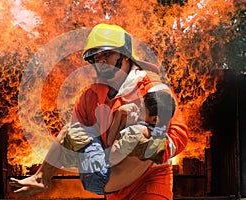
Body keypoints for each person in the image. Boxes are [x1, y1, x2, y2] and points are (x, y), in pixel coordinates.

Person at [10, 23, 188, 199]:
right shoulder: (89, 98)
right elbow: (74, 141)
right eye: (95, 57)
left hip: (150, 184)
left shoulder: (153, 90)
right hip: (113, 186)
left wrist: (148, 146)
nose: (101, 60)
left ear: (125, 55)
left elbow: (178, 135)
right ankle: (40, 179)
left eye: (107, 54)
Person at [76, 90, 176, 195]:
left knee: (85, 129)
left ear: (155, 119)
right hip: (106, 185)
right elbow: (111, 142)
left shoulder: (136, 132)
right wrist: (119, 114)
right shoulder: (161, 137)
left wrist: (127, 127)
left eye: (141, 110)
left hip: (98, 176)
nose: (137, 111)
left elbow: (112, 157)